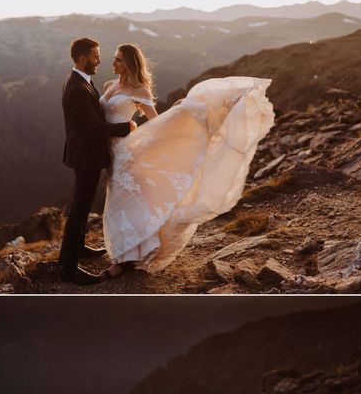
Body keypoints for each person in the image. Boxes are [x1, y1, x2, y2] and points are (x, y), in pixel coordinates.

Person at [99, 44, 275, 277]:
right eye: (114, 59)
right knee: (119, 203)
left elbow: (155, 122)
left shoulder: (139, 89)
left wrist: (179, 113)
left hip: (126, 153)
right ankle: (134, 253)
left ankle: (121, 260)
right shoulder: (109, 86)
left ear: (130, 63)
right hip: (109, 153)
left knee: (122, 206)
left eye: (118, 60)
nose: (113, 64)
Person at [57, 37, 137, 285]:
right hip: (85, 156)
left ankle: (79, 248)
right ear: (83, 59)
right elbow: (94, 127)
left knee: (83, 206)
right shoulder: (77, 89)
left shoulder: (81, 82)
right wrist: (129, 127)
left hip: (85, 154)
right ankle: (67, 267)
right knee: (79, 211)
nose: (99, 60)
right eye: (95, 56)